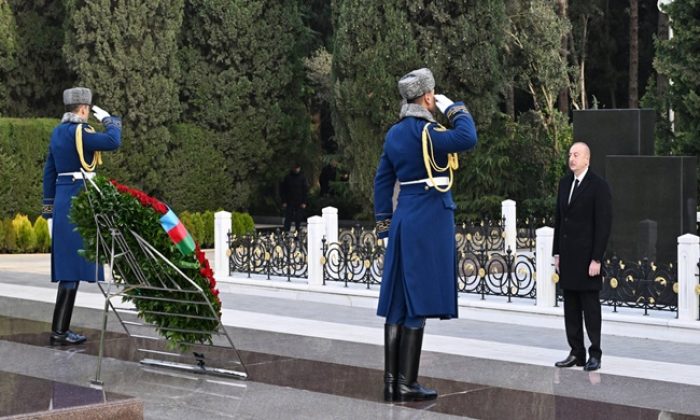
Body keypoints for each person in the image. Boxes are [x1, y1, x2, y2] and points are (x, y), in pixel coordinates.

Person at [374, 68, 477, 402]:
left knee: (398, 301)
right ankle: (407, 383)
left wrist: (384, 224)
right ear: (428, 97)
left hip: (404, 218)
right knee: (417, 297)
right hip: (430, 218)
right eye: (434, 95)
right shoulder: (429, 132)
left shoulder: (394, 134)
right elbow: (468, 137)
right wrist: (455, 108)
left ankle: (393, 384)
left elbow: (382, 181)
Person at [42, 87, 122, 345]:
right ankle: (59, 332)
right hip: (80, 202)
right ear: (85, 109)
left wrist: (48, 213)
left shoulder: (57, 133)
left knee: (70, 270)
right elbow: (113, 141)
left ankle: (60, 330)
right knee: (71, 270)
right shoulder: (81, 132)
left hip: (64, 202)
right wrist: (109, 120)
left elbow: (48, 173)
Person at [553, 142, 612, 372]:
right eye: (570, 155)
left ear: (587, 159)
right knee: (571, 309)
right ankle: (576, 352)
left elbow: (603, 224)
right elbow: (559, 220)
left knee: (591, 310)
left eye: (576, 155)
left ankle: (594, 353)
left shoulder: (598, 186)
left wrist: (597, 258)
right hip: (568, 259)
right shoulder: (564, 183)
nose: (572, 158)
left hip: (588, 260)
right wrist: (556, 254)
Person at [280, 163, 308, 232]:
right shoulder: (288, 177)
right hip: (289, 201)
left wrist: (304, 202)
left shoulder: (302, 178)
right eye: (295, 168)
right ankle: (286, 231)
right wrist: (284, 201)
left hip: (299, 201)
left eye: (297, 168)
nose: (296, 169)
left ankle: (298, 231)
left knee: (298, 218)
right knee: (288, 217)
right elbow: (283, 190)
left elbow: (305, 190)